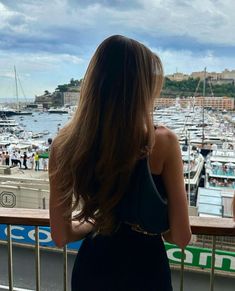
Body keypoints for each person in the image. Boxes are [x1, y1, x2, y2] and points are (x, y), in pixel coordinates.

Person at [49, 35, 191, 291]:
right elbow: (180, 236)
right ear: (142, 89)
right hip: (146, 271)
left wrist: (99, 221)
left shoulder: (64, 144)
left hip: (92, 270)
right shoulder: (162, 142)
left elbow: (61, 236)